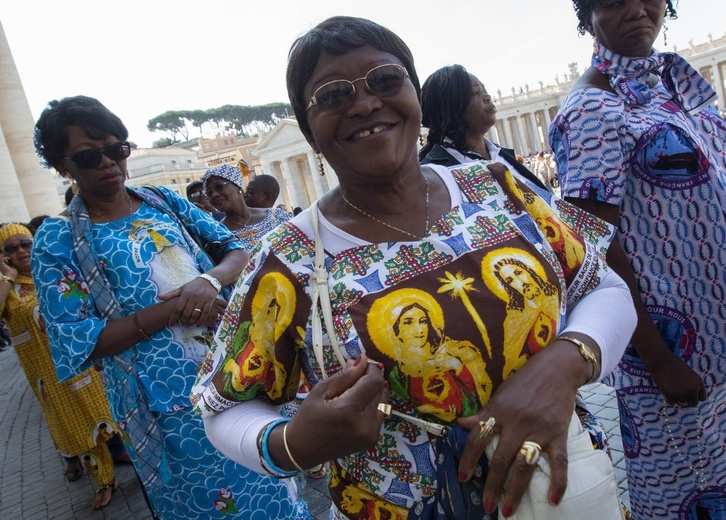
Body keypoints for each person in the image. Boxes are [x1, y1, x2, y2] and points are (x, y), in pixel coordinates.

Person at [192, 16, 638, 519]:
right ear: (309, 132)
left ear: (416, 96)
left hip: (561, 488)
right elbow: (224, 407)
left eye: (384, 80)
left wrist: (565, 363)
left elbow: (603, 286)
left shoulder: (499, 189)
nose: (364, 103)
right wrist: (291, 443)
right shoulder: (286, 259)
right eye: (333, 96)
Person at [31, 95, 309, 519]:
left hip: (233, 371)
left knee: (273, 487)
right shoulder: (58, 239)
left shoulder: (163, 201)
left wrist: (208, 280)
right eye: (90, 156)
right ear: (63, 165)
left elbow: (234, 250)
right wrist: (177, 307)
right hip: (166, 405)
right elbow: (78, 342)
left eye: (117, 149)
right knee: (208, 504)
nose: (109, 163)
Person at [549, 1, 725, 518]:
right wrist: (659, 359)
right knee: (686, 493)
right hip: (673, 349)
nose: (636, 8)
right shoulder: (589, 109)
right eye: (613, 0)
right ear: (587, 15)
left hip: (715, 328)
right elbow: (594, 247)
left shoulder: (674, 81)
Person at [0, 223, 119, 510]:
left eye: (25, 243)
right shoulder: (8, 289)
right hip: (47, 376)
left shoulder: (52, 272)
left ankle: (129, 459)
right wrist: (8, 277)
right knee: (76, 428)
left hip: (82, 363)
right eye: (11, 248)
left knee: (107, 413)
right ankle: (103, 479)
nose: (21, 251)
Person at [419, 64, 550, 192]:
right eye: (476, 92)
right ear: (449, 108)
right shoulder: (433, 175)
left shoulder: (501, 155)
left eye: (485, 91)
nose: (487, 97)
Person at [202, 164, 291, 251]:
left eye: (219, 187)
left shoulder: (277, 217)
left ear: (238, 185)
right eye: (209, 193)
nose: (214, 195)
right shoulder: (218, 235)